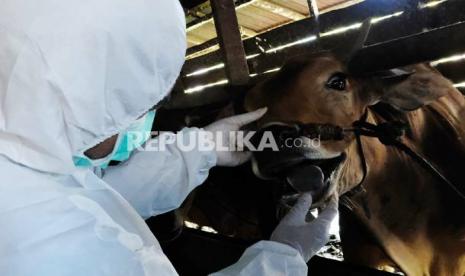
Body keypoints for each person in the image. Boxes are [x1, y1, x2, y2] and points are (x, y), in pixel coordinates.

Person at [0, 0, 338, 275]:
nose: (139, 124)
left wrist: (199, 148)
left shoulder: (24, 161)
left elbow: (95, 196)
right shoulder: (77, 255)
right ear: (89, 106)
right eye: (134, 110)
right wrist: (282, 260)